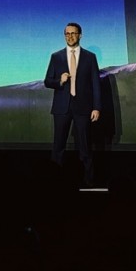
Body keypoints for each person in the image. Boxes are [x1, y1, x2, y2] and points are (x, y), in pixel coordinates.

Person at [44, 22, 102, 187]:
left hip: (83, 107)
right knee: (58, 147)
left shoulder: (90, 57)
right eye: (67, 34)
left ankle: (88, 182)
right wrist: (59, 81)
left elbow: (95, 84)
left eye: (73, 33)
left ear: (80, 35)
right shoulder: (56, 56)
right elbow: (47, 81)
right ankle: (54, 182)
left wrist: (97, 107)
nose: (70, 36)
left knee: (85, 147)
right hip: (62, 108)